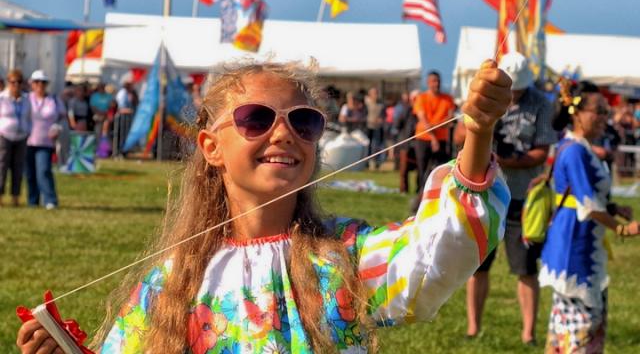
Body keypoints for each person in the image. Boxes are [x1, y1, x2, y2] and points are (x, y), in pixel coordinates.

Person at [17, 59, 513, 353]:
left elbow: (436, 253)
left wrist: (478, 131)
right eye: (256, 119)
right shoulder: (173, 279)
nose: (284, 133)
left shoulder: (345, 256)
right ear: (211, 147)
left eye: (304, 121)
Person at [539, 80, 640, 353]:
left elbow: (589, 199)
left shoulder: (580, 148)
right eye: (599, 111)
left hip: (578, 244)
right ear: (577, 112)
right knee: (580, 327)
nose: (604, 118)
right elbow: (587, 205)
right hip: (574, 249)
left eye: (606, 111)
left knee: (568, 325)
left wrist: (613, 208)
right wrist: (621, 229)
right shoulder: (574, 151)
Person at [464, 52, 556, 345]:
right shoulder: (486, 94)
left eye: (518, 88)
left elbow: (542, 151)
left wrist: (505, 159)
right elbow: (460, 136)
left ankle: (528, 332)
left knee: (526, 268)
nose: (514, 93)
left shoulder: (542, 103)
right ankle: (472, 328)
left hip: (523, 196)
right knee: (478, 266)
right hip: (486, 192)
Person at [25, 70, 65, 210]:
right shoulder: (27, 98)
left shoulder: (53, 99)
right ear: (32, 84)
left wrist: (57, 127)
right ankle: (32, 200)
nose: (40, 85)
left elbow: (62, 117)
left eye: (42, 82)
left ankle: (50, 199)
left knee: (43, 170)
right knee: (30, 173)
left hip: (46, 141)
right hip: (28, 140)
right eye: (37, 82)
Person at [412, 70, 456, 192]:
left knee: (441, 167)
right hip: (423, 138)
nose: (436, 84)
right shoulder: (421, 98)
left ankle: (437, 191)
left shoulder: (447, 99)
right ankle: (420, 191)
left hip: (441, 139)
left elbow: (450, 119)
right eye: (433, 81)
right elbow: (423, 120)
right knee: (422, 166)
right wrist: (433, 138)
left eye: (438, 81)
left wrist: (435, 125)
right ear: (428, 83)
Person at [0, 69, 31, 207]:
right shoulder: (2, 98)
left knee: (18, 168)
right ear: (8, 83)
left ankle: (15, 197)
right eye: (13, 82)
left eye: (19, 82)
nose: (16, 85)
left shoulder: (26, 99)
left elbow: (30, 117)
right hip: (4, 136)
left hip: (21, 137)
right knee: (2, 166)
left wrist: (28, 130)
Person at [365, 87, 385, 169]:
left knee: (376, 145)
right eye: (373, 93)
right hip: (368, 127)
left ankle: (376, 162)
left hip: (378, 128)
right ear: (370, 94)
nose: (375, 95)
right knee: (368, 145)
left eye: (376, 93)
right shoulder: (367, 103)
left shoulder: (381, 105)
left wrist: (381, 119)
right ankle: (367, 162)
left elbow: (383, 116)